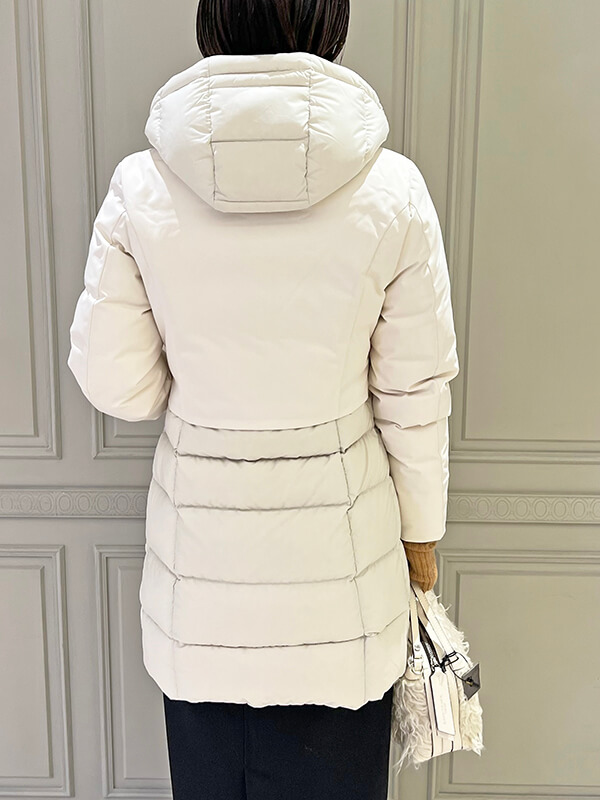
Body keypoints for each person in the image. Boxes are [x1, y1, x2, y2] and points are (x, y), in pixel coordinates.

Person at [67, 0, 460, 796]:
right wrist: (421, 546)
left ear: (213, 20)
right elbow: (413, 396)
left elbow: (115, 381)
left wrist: (196, 384)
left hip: (201, 609)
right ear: (329, 22)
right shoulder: (392, 189)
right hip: (343, 607)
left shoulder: (142, 186)